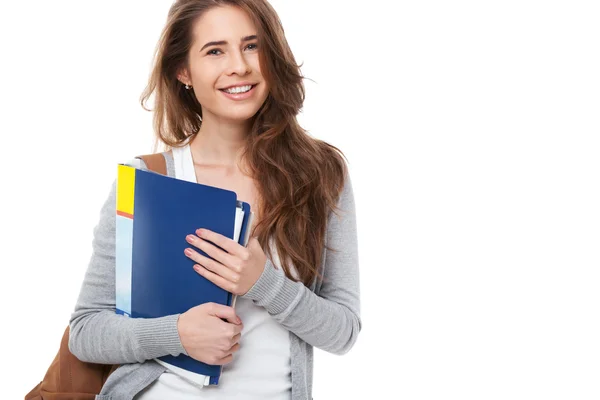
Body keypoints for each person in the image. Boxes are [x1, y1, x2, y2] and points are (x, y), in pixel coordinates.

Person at [68, 0, 361, 399]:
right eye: (215, 50)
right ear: (183, 71)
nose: (239, 65)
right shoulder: (145, 180)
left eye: (252, 46)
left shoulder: (321, 174)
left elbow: (342, 332)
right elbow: (86, 333)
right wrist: (177, 334)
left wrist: (263, 282)